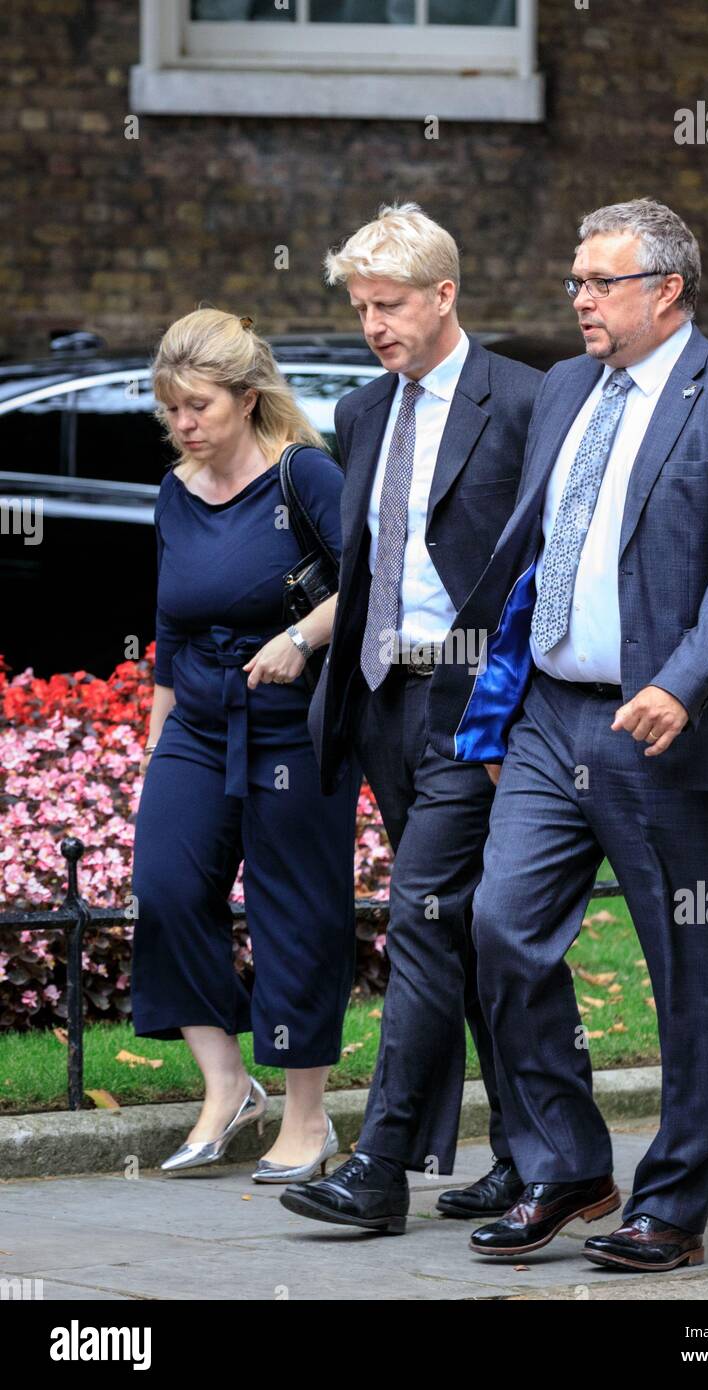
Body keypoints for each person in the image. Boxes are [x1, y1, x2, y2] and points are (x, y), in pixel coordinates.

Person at [426, 198, 708, 1268]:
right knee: (498, 926)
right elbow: (539, 551)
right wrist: (493, 696)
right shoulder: (562, 390)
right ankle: (565, 1163)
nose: (578, 300)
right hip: (551, 714)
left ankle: (671, 1205)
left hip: (667, 731)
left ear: (665, 290)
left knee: (688, 970)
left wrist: (685, 681)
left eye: (599, 282)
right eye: (574, 282)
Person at [280, 203, 542, 1235]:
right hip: (384, 697)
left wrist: (514, 708)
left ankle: (379, 1166)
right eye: (358, 307)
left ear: (444, 294)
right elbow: (367, 561)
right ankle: (531, 1159)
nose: (373, 324)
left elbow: (542, 565)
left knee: (425, 920)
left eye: (388, 304)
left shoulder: (523, 400)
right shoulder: (358, 412)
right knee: (467, 936)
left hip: (473, 704)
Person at [131, 308, 361, 1181]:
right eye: (172, 409)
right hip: (197, 722)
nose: (185, 424)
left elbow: (368, 583)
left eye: (199, 407)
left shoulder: (305, 477)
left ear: (247, 396)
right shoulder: (174, 490)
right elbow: (166, 625)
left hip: (293, 727)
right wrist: (157, 751)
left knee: (294, 913)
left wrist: (300, 638)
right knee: (165, 882)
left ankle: (307, 1117)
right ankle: (227, 1084)